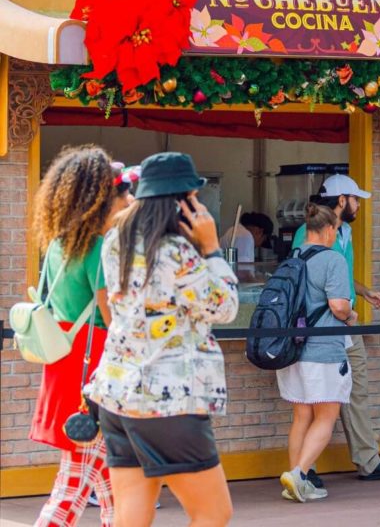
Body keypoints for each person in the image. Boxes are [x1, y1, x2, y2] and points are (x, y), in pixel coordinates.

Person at [88, 152, 239, 527]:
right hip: (168, 403)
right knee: (213, 513)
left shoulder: (115, 241)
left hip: (118, 396)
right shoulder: (176, 251)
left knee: (130, 518)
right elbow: (225, 307)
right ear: (183, 200)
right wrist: (212, 249)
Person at [29, 146, 127, 527]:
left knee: (112, 483)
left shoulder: (58, 244)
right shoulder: (98, 248)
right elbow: (111, 317)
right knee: (72, 489)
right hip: (95, 372)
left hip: (65, 364)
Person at [291, 174, 380, 483]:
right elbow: (306, 277)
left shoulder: (344, 233)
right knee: (312, 403)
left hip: (344, 321)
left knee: (356, 388)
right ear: (342, 201)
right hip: (326, 325)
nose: (359, 205)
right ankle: (305, 470)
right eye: (356, 199)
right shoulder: (311, 231)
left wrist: (364, 290)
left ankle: (368, 460)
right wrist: (346, 311)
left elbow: (337, 277)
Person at [278, 203, 355, 502]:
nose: (336, 235)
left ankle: (295, 480)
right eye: (335, 230)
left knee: (301, 415)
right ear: (327, 230)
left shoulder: (292, 256)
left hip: (292, 349)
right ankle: (299, 474)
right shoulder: (332, 259)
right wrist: (351, 316)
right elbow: (338, 305)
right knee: (327, 415)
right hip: (322, 348)